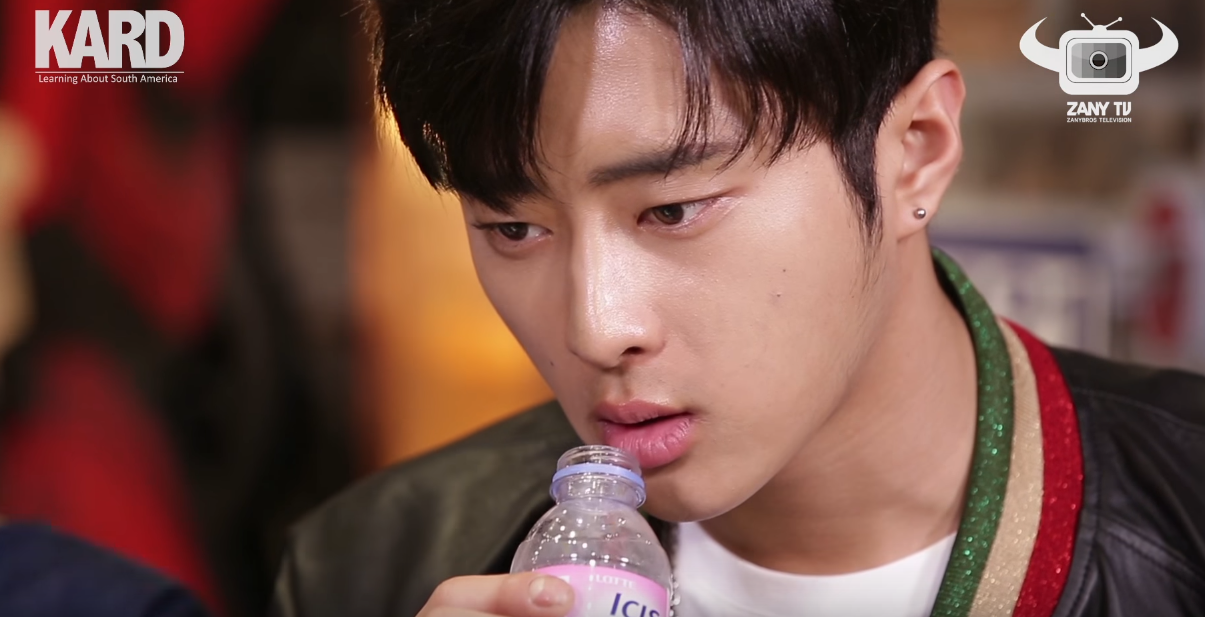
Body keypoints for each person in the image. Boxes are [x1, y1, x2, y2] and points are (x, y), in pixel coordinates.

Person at [271, 1, 1205, 616]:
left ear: (915, 151)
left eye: (673, 210)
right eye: (513, 227)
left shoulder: (1181, 509)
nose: (597, 327)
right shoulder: (372, 561)